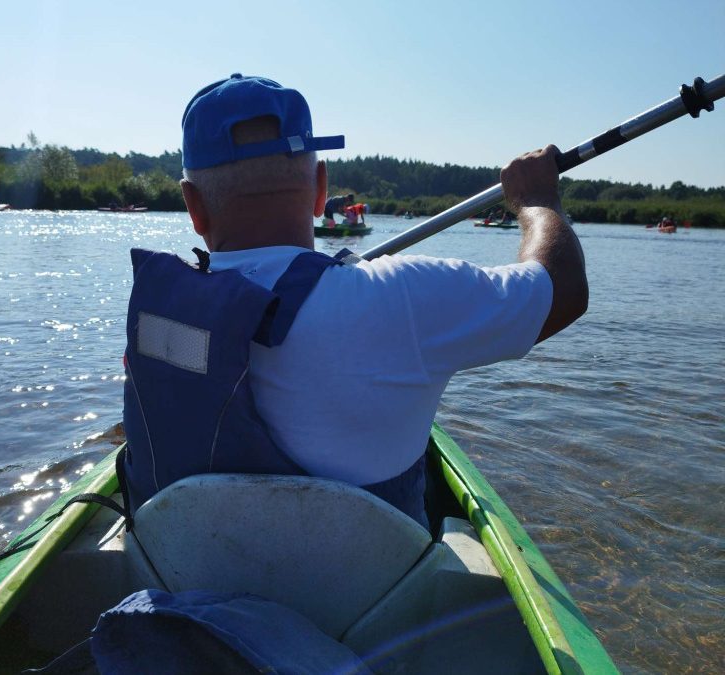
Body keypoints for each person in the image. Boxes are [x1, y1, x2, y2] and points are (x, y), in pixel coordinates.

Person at [122, 73, 587, 529]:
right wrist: (537, 200)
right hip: (370, 602)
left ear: (193, 206)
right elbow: (561, 289)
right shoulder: (402, 297)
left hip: (183, 580)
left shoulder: (158, 320)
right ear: (322, 189)